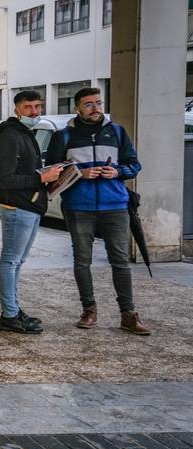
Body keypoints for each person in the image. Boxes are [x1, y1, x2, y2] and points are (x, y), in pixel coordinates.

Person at [45, 86, 150, 335]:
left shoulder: (117, 132)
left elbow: (134, 165)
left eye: (99, 103)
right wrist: (79, 174)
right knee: (82, 261)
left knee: (120, 261)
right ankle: (89, 310)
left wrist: (118, 172)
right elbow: (51, 172)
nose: (96, 108)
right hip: (78, 207)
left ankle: (128, 314)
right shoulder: (64, 136)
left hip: (115, 206)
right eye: (89, 104)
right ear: (77, 108)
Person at [0, 90, 63, 333]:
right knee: (10, 261)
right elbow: (4, 180)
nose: (35, 112)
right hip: (17, 207)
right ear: (17, 110)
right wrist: (42, 176)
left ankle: (13, 310)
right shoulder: (10, 137)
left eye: (38, 106)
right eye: (29, 107)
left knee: (17, 261)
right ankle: (9, 315)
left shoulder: (25, 134)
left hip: (29, 205)